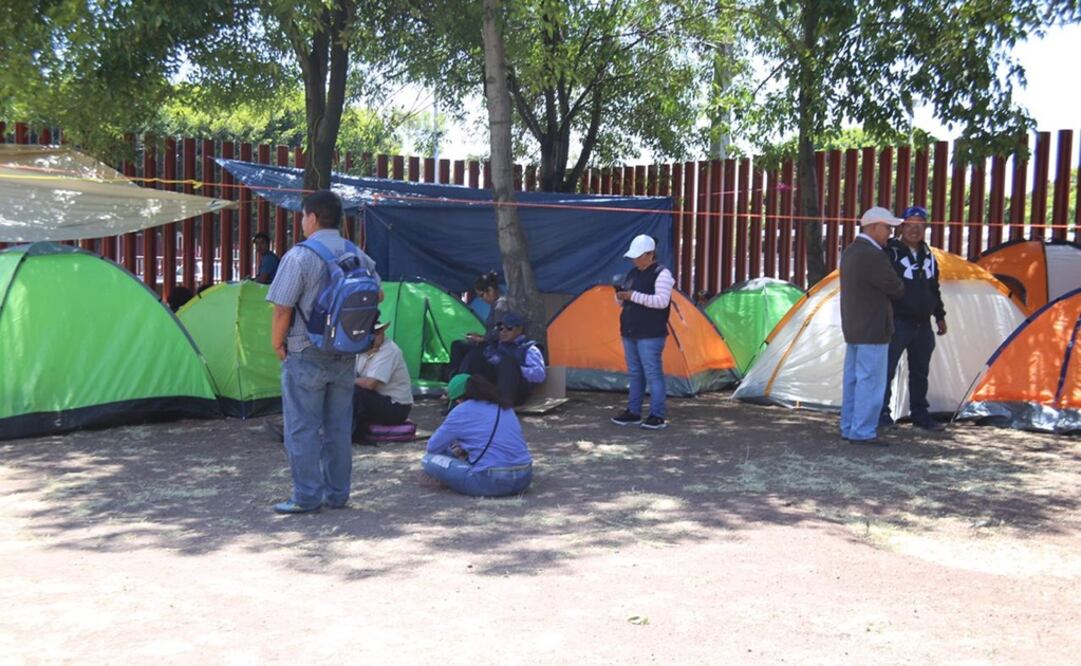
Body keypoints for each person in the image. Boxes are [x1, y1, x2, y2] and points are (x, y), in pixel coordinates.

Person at [266, 190, 381, 514]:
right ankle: (337, 494)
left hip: (305, 351)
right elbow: (379, 294)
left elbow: (281, 309)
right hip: (345, 353)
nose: (302, 222)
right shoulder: (357, 254)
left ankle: (306, 497)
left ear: (313, 217)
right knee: (338, 429)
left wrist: (277, 345)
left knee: (302, 428)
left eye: (303, 216)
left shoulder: (299, 256)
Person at [839, 207, 906, 444]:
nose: (890, 233)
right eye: (887, 228)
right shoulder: (874, 255)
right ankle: (863, 431)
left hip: (854, 327)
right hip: (874, 328)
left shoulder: (850, 251)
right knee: (871, 382)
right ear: (874, 227)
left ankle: (849, 426)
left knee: (853, 381)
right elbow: (896, 287)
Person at [880, 206, 947, 431]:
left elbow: (933, 287)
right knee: (887, 369)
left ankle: (920, 414)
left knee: (920, 371)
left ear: (925, 228)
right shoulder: (891, 252)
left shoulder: (929, 254)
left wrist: (940, 315)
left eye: (920, 225)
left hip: (923, 324)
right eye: (910, 224)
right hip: (898, 321)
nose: (915, 230)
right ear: (902, 226)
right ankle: (882, 414)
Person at [421, 374, 533, 497]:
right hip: (524, 478)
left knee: (428, 459)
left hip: (490, 481)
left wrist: (453, 453)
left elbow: (433, 447)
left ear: (458, 399)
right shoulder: (505, 406)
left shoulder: (461, 410)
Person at [610, 234, 674, 430]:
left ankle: (657, 415)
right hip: (630, 330)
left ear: (650, 254)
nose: (635, 260)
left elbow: (662, 301)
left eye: (638, 256)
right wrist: (620, 297)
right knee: (635, 374)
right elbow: (625, 301)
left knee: (653, 374)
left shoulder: (663, 274)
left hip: (651, 333)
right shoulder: (632, 273)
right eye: (633, 257)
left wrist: (633, 295)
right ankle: (634, 411)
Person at [457, 311, 545, 405]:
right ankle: (460, 396)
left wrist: (513, 368)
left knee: (507, 362)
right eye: (501, 328)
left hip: (515, 390)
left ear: (520, 330)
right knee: (475, 354)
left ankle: (502, 407)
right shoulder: (495, 345)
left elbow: (539, 375)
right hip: (493, 386)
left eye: (509, 328)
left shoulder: (529, 348)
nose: (503, 331)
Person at [352, 318, 414, 442]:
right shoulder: (362, 350)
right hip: (378, 399)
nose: (379, 335)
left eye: (379, 332)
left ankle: (349, 432)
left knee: (353, 392)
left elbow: (370, 384)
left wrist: (345, 380)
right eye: (376, 332)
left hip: (396, 407)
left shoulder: (389, 351)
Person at [447, 272, 507, 378]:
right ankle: (453, 377)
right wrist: (479, 336)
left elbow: (500, 332)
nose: (481, 299)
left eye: (481, 295)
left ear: (490, 290)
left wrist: (482, 339)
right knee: (457, 345)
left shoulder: (500, 306)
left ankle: (460, 380)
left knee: (471, 356)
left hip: (494, 348)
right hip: (488, 343)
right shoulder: (495, 305)